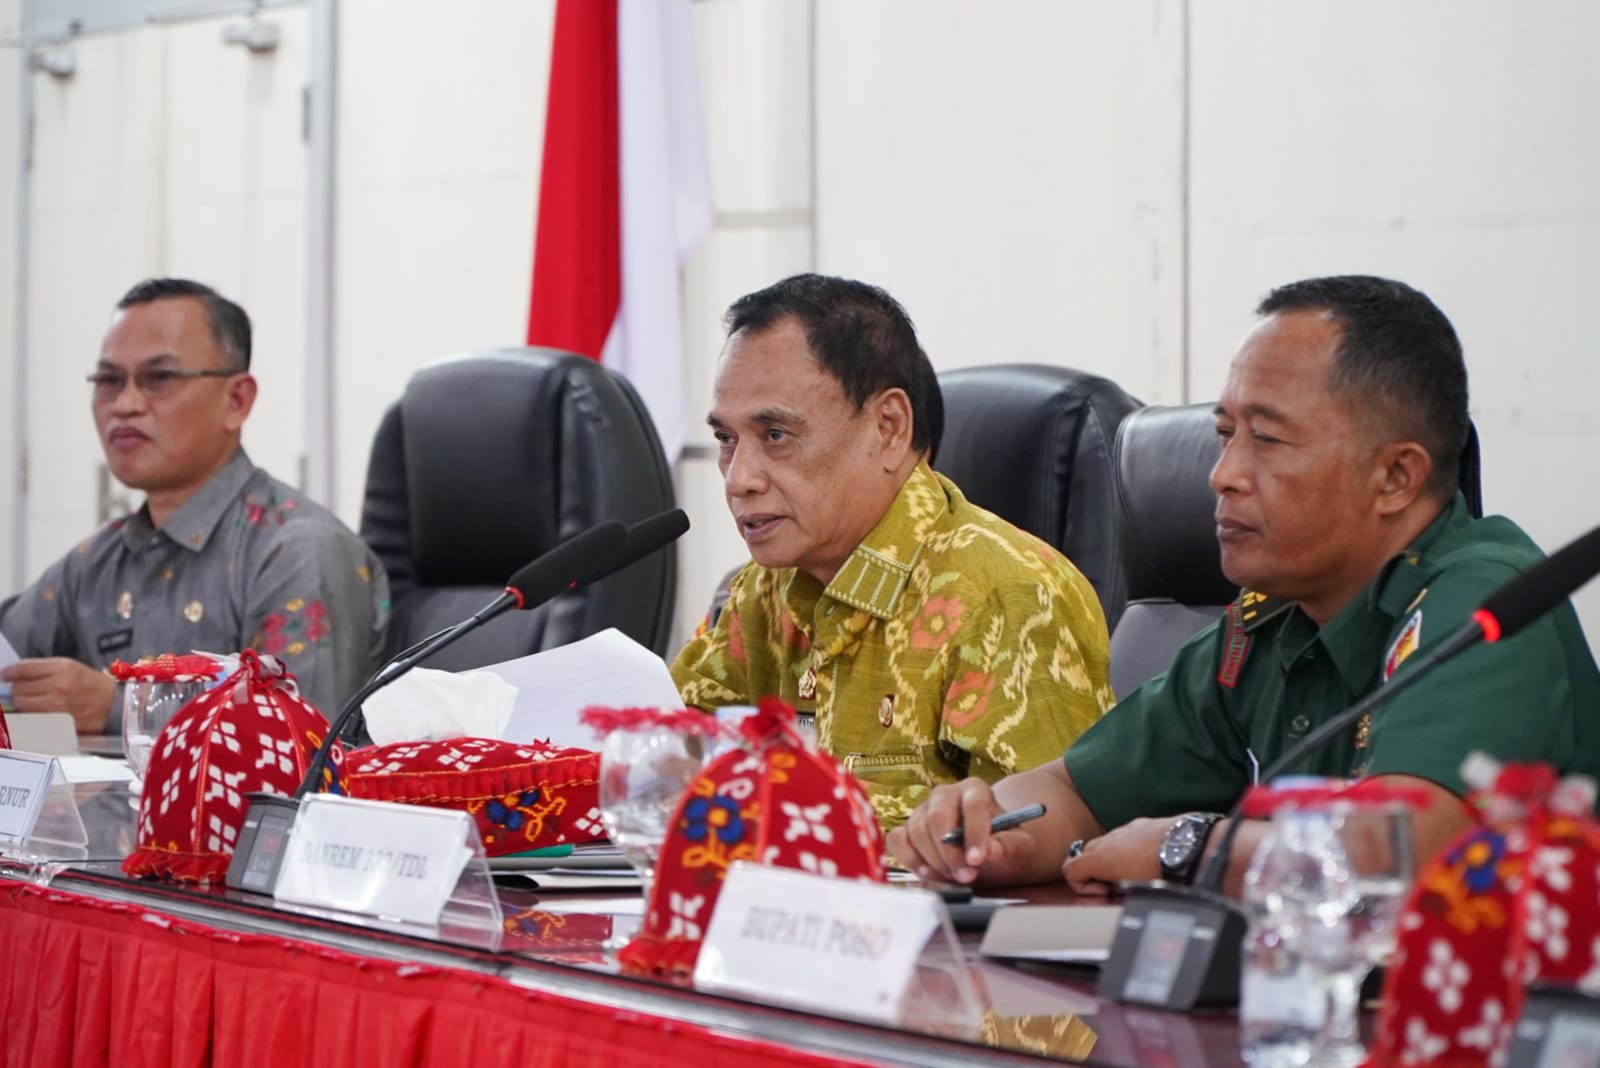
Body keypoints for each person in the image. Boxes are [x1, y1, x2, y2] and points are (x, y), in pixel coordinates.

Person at [888, 274, 1600, 895]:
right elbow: (1074, 791)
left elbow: (1399, 853)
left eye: (1268, 439)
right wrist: (986, 831)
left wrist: (1192, 852)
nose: (1221, 473)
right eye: (1225, 433)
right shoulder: (1269, 620)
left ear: (1396, 477)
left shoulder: (1485, 606)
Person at [671, 273, 1115, 827]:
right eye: (725, 440)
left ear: (888, 428)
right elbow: (667, 769)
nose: (739, 480)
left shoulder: (1006, 597)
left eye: (776, 435)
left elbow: (1040, 842)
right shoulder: (764, 588)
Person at [0, 278, 389, 734]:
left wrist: (117, 709)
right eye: (108, 381)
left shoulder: (298, 550)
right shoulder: (95, 561)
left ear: (237, 401)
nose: (124, 404)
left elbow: (298, 738)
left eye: (159, 379)